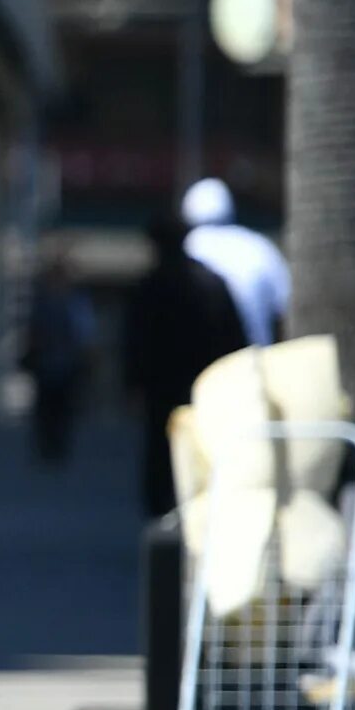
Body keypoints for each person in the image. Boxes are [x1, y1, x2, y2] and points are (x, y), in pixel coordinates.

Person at [122, 219, 248, 517]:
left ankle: (164, 517)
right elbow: (235, 338)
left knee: (161, 453)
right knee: (201, 451)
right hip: (205, 386)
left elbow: (134, 342)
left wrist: (132, 384)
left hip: (164, 388)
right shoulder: (211, 282)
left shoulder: (150, 286)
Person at [181, 177, 289, 349]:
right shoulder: (258, 246)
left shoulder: (186, 248)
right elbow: (284, 309)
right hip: (255, 362)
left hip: (204, 365)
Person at [22, 258, 97, 466]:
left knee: (62, 408)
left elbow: (82, 332)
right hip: (48, 363)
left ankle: (57, 446)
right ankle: (47, 446)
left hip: (64, 363)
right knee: (47, 408)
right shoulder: (45, 302)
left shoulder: (72, 302)